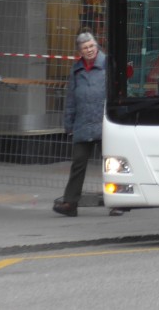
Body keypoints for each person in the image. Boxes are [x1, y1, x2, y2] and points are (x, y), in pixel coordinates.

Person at [54, 31, 121, 217]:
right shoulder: (76, 69)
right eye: (85, 48)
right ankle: (70, 203)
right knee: (78, 164)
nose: (89, 50)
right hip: (83, 123)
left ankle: (118, 202)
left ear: (97, 46)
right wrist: (69, 123)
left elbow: (117, 93)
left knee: (112, 164)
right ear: (80, 51)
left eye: (91, 46)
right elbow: (71, 99)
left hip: (105, 122)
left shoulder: (108, 65)